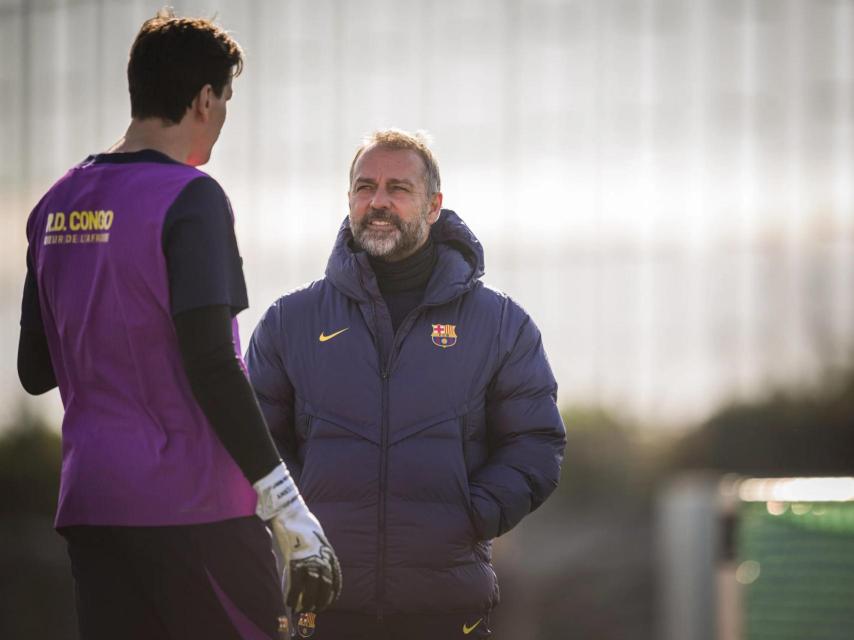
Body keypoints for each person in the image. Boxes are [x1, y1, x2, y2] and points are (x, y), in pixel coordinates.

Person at [18, 10, 340, 639]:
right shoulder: (192, 197)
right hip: (194, 512)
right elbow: (213, 363)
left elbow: (34, 372)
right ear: (202, 99)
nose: (221, 120)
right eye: (224, 102)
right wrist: (289, 511)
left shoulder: (52, 205)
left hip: (93, 508)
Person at [246, 129, 566, 639]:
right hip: (322, 608)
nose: (377, 202)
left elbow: (536, 443)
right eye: (364, 187)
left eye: (398, 188)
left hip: (445, 609)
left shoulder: (501, 324)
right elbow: (253, 440)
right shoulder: (290, 321)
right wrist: (300, 514)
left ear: (434, 205)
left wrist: (471, 514)